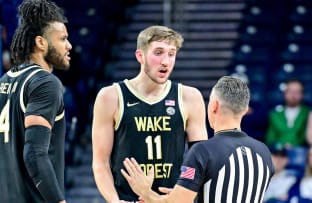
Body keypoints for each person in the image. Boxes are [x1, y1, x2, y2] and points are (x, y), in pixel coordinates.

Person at [92, 25, 207, 202]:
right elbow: (100, 163)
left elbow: (199, 161)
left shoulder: (189, 97)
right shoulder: (111, 96)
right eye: (158, 52)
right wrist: (115, 201)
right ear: (140, 56)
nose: (166, 62)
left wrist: (183, 192)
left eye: (171, 53)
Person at [121, 76, 274, 203]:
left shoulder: (203, 150)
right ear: (245, 110)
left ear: (213, 106)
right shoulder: (264, 153)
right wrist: (188, 193)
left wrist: (145, 192)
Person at [0, 0, 72, 202]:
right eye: (63, 39)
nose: (69, 46)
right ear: (41, 42)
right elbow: (34, 153)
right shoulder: (45, 83)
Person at [265, 79, 310, 147]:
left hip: (301, 152)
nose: (293, 95)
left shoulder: (308, 113)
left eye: (297, 92)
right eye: (290, 91)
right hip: (278, 153)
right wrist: (280, 146)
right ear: (284, 93)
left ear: (302, 94)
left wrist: (293, 146)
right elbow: (270, 139)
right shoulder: (275, 114)